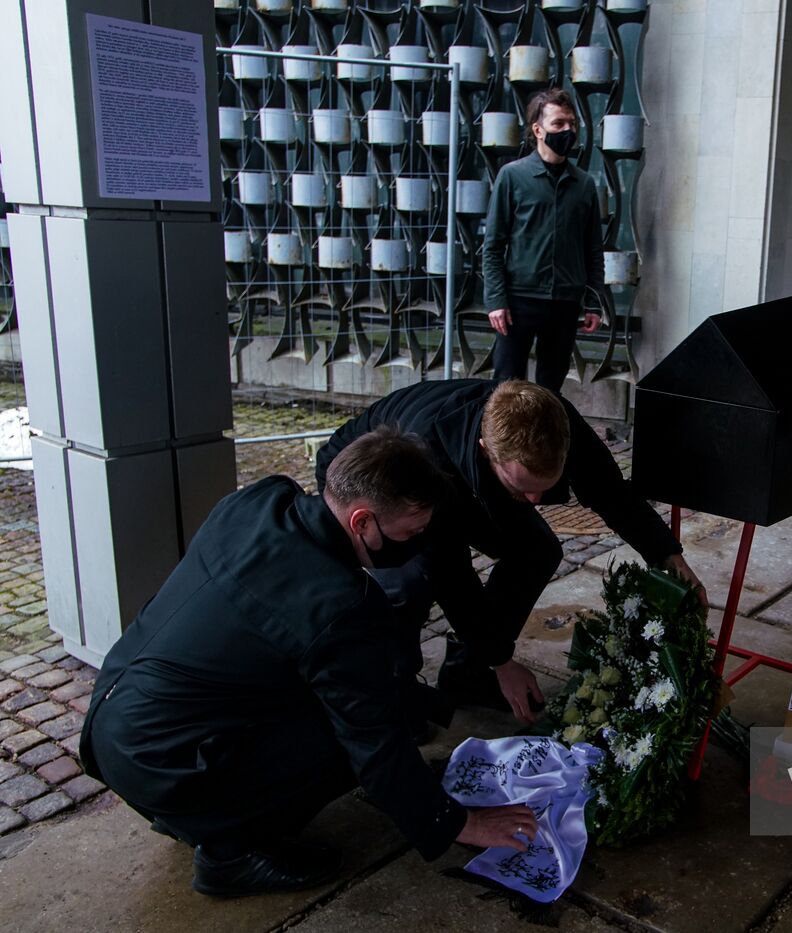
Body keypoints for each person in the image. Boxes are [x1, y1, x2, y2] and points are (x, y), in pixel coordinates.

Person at [78, 427, 539, 898]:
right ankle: (228, 854)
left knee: (365, 698)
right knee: (353, 740)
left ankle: (197, 810)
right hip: (162, 761)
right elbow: (374, 743)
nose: (418, 543)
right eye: (411, 532)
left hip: (112, 719)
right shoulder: (340, 606)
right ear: (362, 522)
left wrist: (424, 702)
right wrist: (459, 823)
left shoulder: (262, 499)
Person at [314, 378, 707, 724]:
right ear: (488, 449)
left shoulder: (555, 423)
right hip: (372, 484)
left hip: (465, 481)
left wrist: (668, 557)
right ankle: (394, 699)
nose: (536, 499)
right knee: (411, 583)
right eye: (523, 488)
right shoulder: (429, 454)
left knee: (537, 549)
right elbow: (451, 573)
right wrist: (503, 660)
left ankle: (467, 674)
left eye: (544, 485)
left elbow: (611, 493)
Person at [483, 88, 605, 392]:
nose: (568, 130)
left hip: (565, 303)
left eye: (572, 124)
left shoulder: (584, 185)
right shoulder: (512, 177)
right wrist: (496, 301)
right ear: (538, 130)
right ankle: (499, 441)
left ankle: (545, 441)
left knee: (551, 388)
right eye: (558, 124)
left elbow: (593, 250)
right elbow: (493, 245)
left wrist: (594, 302)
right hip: (518, 301)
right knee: (506, 387)